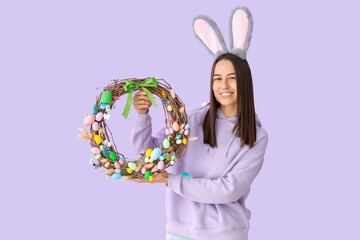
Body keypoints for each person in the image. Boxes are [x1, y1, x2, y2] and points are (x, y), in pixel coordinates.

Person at [129, 6, 268, 240]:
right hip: (179, 231)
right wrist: (142, 116)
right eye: (217, 79)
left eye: (232, 78)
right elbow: (148, 153)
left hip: (226, 234)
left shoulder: (256, 136)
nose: (223, 86)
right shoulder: (191, 120)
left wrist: (171, 181)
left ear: (244, 81)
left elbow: (229, 190)